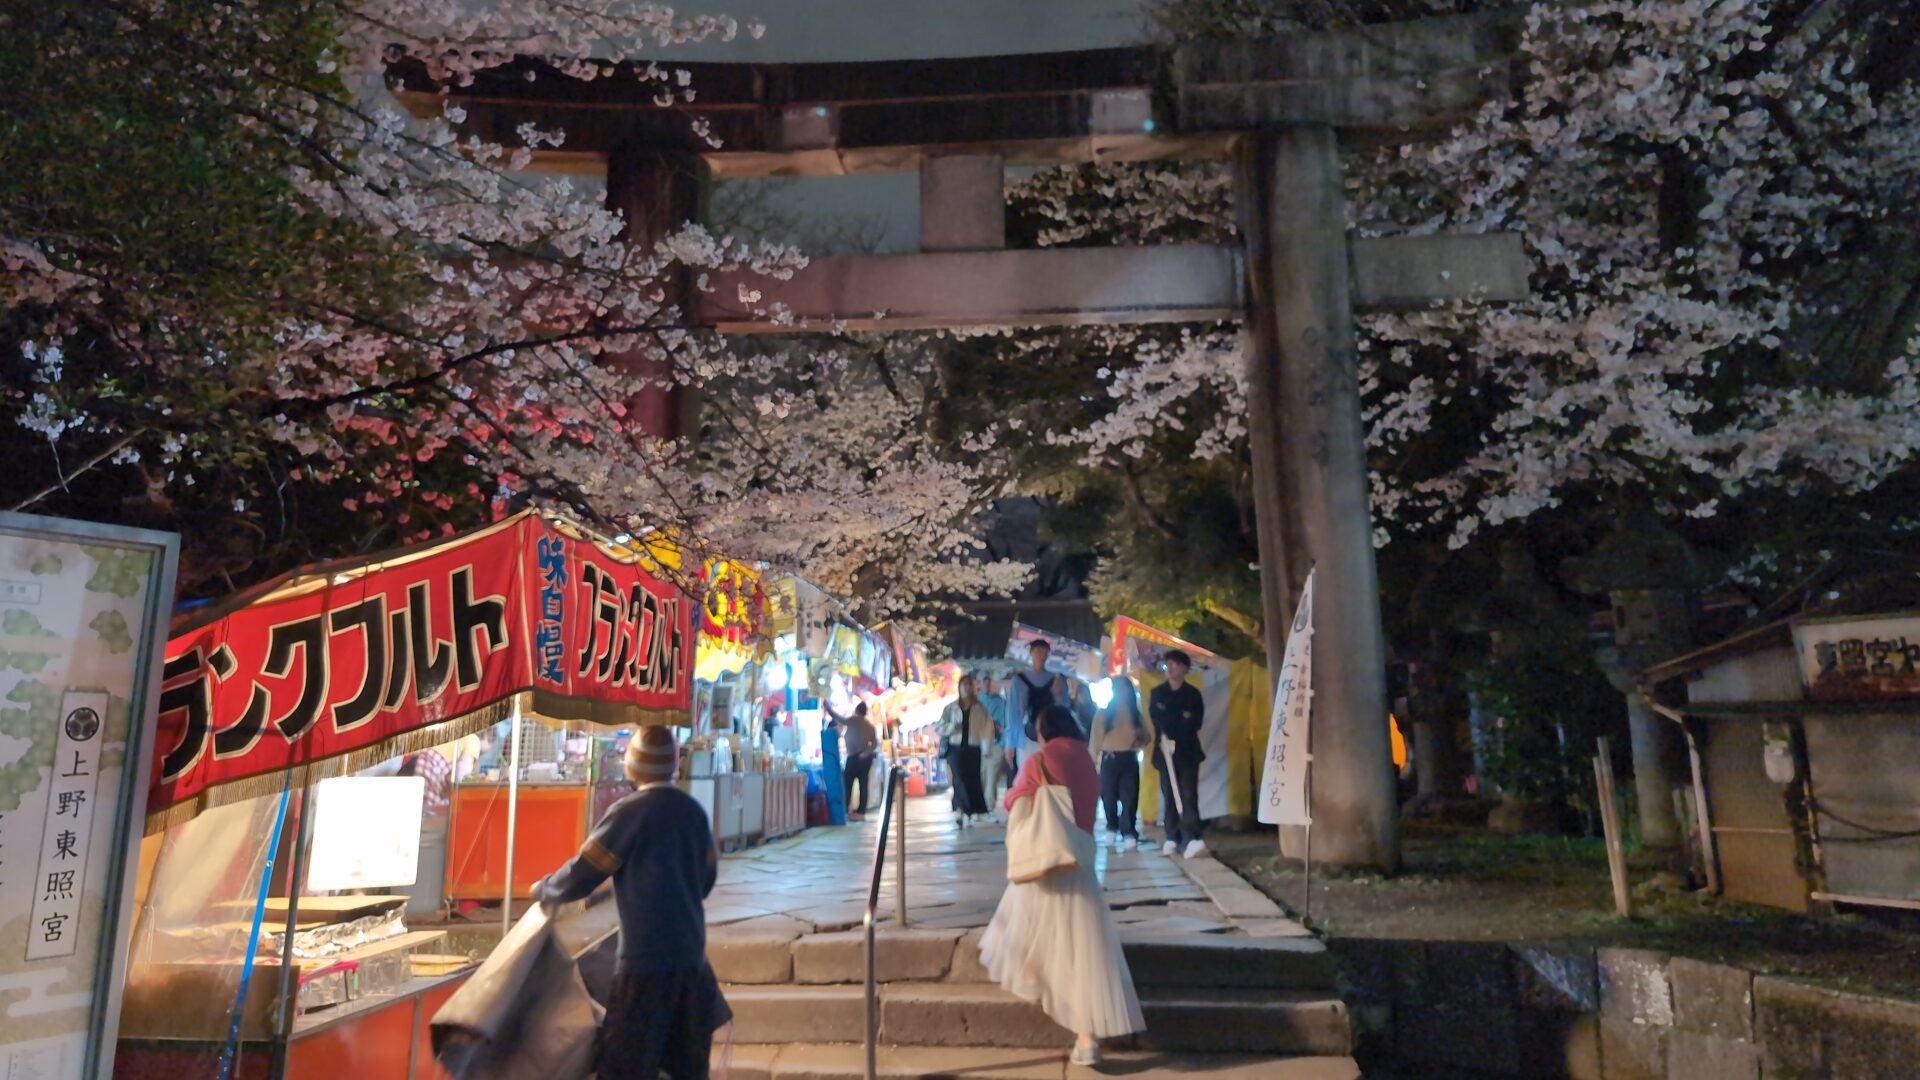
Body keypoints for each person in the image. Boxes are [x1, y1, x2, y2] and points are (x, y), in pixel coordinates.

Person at [533, 726, 729, 1079]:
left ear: (632, 767)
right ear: (673, 765)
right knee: (686, 1067)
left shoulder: (629, 812)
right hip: (691, 961)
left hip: (643, 965)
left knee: (625, 1066)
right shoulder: (693, 812)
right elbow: (706, 879)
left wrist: (545, 889)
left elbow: (583, 873)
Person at [979, 705, 1145, 1066]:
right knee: (1081, 952)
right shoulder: (1085, 759)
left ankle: (1040, 980)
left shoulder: (1041, 759)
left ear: (1045, 731)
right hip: (1080, 860)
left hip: (1048, 862)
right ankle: (1086, 1039)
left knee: (1026, 936)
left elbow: (1014, 800)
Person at [1149, 650, 1208, 859]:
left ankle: (1191, 836)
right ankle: (1172, 836)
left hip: (1188, 751)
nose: (1170, 669)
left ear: (1184, 668)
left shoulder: (1192, 694)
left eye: (1175, 665)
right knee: (1169, 793)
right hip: (1165, 752)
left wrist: (1180, 719)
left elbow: (1195, 722)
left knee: (1189, 794)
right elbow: (1160, 720)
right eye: (1168, 665)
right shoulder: (1158, 693)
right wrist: (1180, 717)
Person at [1089, 678, 1146, 851]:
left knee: (1129, 796)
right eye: (1118, 689)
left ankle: (1129, 831)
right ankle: (1111, 826)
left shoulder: (1136, 715)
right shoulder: (1104, 714)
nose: (1122, 692)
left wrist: (1139, 737)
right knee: (1108, 796)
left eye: (1124, 689)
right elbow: (1095, 742)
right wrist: (1091, 765)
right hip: (1110, 759)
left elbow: (1147, 738)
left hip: (1129, 758)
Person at [1003, 640, 1070, 777]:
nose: (1040, 655)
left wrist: (1058, 696)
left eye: (1044, 652)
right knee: (1028, 776)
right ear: (1031, 653)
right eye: (1037, 652)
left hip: (1051, 737)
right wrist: (1010, 743)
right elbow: (1013, 714)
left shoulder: (1057, 679)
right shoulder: (1019, 680)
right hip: (1027, 736)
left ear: (1048, 655)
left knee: (1051, 776)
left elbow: (1065, 710)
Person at [939, 674, 995, 826]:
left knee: (972, 780)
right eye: (964, 685)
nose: (967, 688)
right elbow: (940, 727)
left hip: (973, 749)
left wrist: (987, 748)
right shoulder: (950, 708)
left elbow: (987, 729)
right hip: (955, 748)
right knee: (959, 779)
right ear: (959, 688)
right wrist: (951, 728)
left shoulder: (980, 709)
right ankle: (960, 810)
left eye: (969, 685)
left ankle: (968, 811)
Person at [976, 676, 1009, 818]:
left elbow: (1005, 724)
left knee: (992, 778)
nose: (986, 684)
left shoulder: (999, 701)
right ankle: (978, 808)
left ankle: (989, 808)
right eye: (983, 681)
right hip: (978, 745)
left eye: (988, 681)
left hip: (995, 744)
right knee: (979, 777)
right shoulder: (975, 702)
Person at [841, 702, 880, 821]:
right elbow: (875, 743)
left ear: (857, 711)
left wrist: (828, 708)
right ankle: (861, 812)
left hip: (853, 757)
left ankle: (845, 810)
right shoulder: (870, 726)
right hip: (865, 758)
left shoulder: (854, 720)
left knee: (848, 784)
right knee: (863, 785)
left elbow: (839, 718)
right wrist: (867, 753)